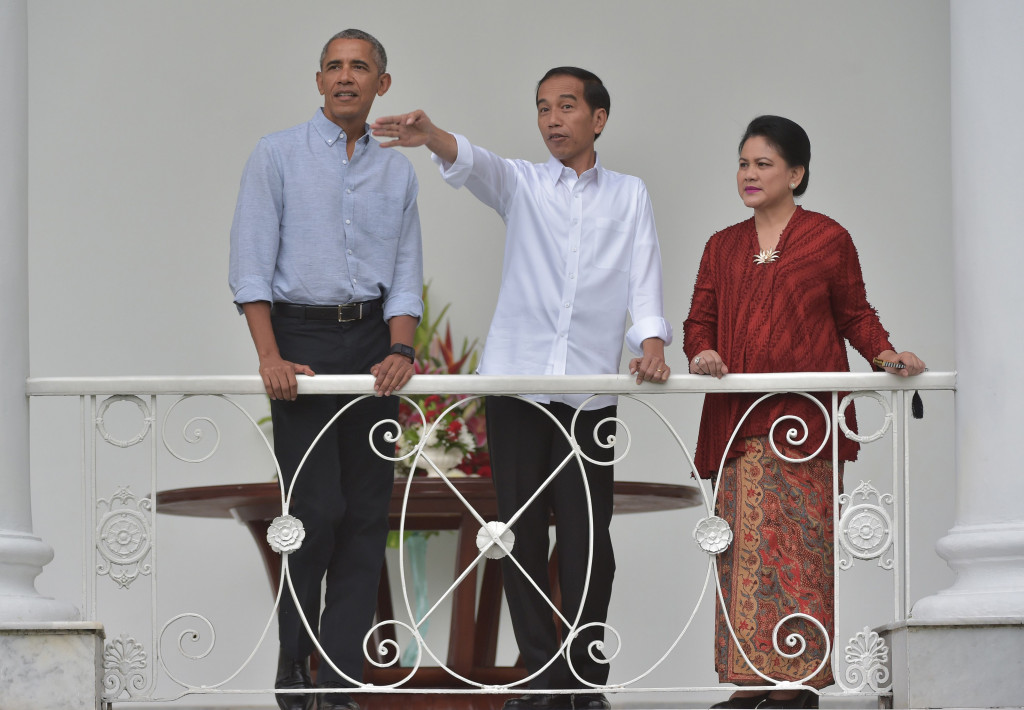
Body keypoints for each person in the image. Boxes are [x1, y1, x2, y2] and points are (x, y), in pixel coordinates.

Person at [371, 67, 672, 710]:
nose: (552, 119)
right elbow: (478, 164)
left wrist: (650, 342)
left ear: (599, 118)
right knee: (519, 535)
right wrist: (432, 136)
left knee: (592, 541)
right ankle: (539, 675)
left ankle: (583, 680)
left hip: (591, 393)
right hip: (516, 388)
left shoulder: (629, 194)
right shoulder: (525, 183)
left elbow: (644, 271)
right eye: (542, 108)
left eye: (566, 106)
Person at [683, 115, 925, 710]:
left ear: (796, 173)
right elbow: (698, 322)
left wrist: (885, 353)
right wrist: (702, 352)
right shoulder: (722, 245)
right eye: (743, 163)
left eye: (763, 164)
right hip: (739, 425)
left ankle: (797, 684)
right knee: (739, 553)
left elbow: (855, 316)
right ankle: (748, 682)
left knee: (798, 554)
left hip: (803, 429)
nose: (749, 174)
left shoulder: (827, 239)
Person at [228, 29, 423, 710]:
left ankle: (339, 684)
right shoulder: (275, 155)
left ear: (381, 85)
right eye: (335, 67)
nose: (346, 77)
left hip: (374, 347)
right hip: (301, 341)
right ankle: (294, 670)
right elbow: (250, 264)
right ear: (319, 82)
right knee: (314, 511)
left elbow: (404, 275)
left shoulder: (397, 171)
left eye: (360, 67)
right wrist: (270, 355)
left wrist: (400, 348)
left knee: (369, 514)